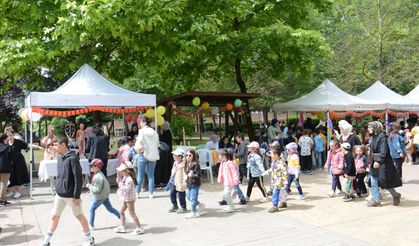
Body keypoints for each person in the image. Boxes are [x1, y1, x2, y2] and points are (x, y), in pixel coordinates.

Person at [41, 137, 94, 246]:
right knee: (54, 216)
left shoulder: (73, 158)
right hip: (60, 194)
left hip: (71, 195)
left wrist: (76, 195)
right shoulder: (59, 157)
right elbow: (60, 175)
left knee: (79, 215)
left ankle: (89, 238)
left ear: (63, 145)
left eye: (56, 145)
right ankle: (47, 240)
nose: (54, 147)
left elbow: (78, 177)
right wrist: (58, 186)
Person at [367, 121, 402, 207]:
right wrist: (370, 161)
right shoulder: (374, 136)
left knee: (384, 182)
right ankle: (376, 200)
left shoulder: (382, 137)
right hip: (374, 162)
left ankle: (396, 195)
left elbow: (383, 151)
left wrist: (378, 161)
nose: (368, 129)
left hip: (383, 163)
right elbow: (372, 150)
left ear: (375, 128)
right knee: (373, 180)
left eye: (370, 128)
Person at [87, 159, 120, 230]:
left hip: (100, 196)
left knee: (91, 209)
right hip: (104, 195)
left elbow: (97, 190)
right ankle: (122, 217)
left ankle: (91, 225)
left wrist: (89, 186)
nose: (90, 167)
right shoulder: (99, 174)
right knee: (110, 208)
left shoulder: (98, 177)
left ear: (97, 167)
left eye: (92, 166)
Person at [114, 162, 144, 234]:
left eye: (121, 171)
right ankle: (122, 226)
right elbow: (119, 182)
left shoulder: (129, 180)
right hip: (126, 198)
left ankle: (139, 228)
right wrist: (119, 177)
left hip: (130, 199)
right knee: (121, 212)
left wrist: (120, 185)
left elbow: (126, 189)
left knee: (132, 213)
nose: (120, 172)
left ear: (127, 171)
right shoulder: (125, 177)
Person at [134, 116, 160, 199]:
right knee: (151, 175)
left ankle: (137, 193)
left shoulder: (141, 131)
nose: (139, 123)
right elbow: (158, 144)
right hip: (153, 155)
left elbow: (138, 144)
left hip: (143, 154)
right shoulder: (154, 132)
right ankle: (151, 193)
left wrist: (139, 149)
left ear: (144, 123)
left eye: (140, 122)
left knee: (140, 175)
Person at [5, 127, 30, 199]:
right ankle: (13, 191)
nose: (9, 137)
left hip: (19, 161)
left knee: (19, 176)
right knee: (11, 178)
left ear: (13, 135)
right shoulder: (5, 142)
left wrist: (38, 147)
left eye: (10, 135)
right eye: (8, 135)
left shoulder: (18, 142)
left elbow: (27, 145)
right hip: (10, 163)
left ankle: (18, 192)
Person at [265, 146, 288, 213]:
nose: (270, 155)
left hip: (279, 181)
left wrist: (283, 181)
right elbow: (272, 169)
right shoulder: (274, 161)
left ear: (275, 155)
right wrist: (266, 172)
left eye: (271, 154)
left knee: (275, 192)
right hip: (275, 180)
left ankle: (275, 206)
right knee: (282, 192)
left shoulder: (281, 163)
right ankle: (283, 203)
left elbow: (285, 172)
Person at [217, 149, 240, 213]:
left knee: (226, 194)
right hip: (226, 182)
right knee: (227, 194)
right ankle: (230, 205)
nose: (218, 157)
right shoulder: (223, 163)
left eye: (219, 155)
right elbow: (221, 172)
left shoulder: (230, 163)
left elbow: (234, 173)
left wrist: (235, 181)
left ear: (224, 156)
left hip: (230, 182)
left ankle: (231, 206)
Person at [184, 148, 205, 219]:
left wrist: (192, 174)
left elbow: (199, 175)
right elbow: (186, 173)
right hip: (189, 183)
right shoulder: (187, 163)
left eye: (190, 155)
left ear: (193, 155)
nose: (188, 157)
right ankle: (200, 204)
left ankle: (193, 213)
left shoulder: (196, 164)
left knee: (192, 199)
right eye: (186, 155)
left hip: (195, 184)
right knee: (189, 197)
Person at [167, 148, 188, 214]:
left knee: (181, 195)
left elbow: (185, 174)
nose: (173, 156)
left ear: (180, 156)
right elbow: (173, 171)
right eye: (173, 155)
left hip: (181, 182)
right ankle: (175, 206)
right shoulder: (175, 163)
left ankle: (183, 207)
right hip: (175, 182)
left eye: (175, 155)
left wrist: (185, 182)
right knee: (172, 193)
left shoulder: (184, 164)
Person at [0, 133, 12, 206]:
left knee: (2, 184)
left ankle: (2, 199)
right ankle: (1, 200)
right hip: (5, 168)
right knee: (3, 184)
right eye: (7, 138)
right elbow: (11, 158)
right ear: (5, 139)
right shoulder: (7, 147)